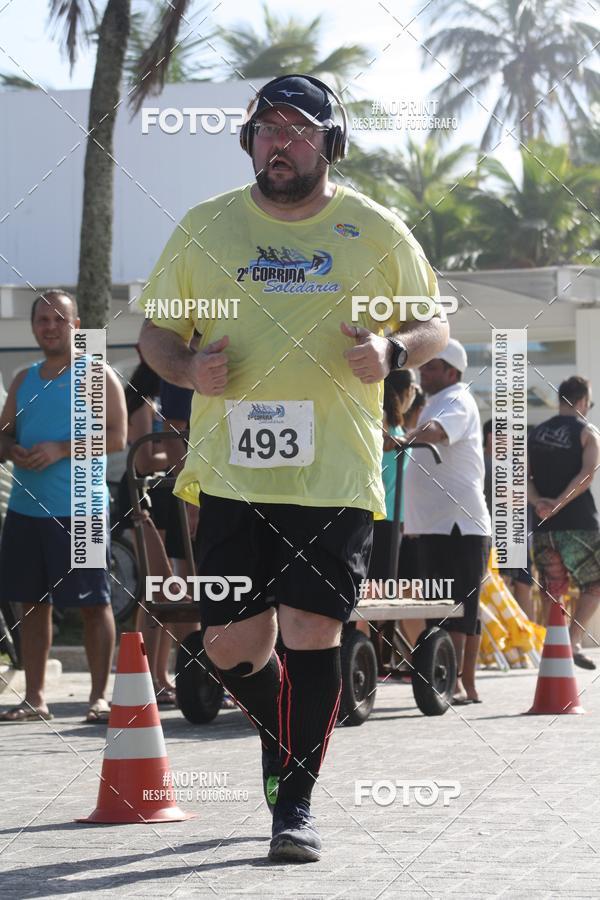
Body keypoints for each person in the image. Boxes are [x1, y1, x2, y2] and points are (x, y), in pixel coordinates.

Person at [138, 73, 448, 862]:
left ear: (330, 143)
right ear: (249, 141)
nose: (280, 143)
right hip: (232, 477)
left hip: (335, 472)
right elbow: (156, 335)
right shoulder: (206, 228)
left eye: (298, 130)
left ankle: (295, 804)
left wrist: (392, 351)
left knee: (314, 629)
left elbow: (433, 324)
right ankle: (282, 722)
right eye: (267, 130)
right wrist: (185, 369)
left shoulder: (376, 231)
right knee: (231, 648)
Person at [0, 290, 127, 722]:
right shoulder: (23, 379)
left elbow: (117, 438)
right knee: (30, 604)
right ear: (33, 326)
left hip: (84, 511)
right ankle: (35, 697)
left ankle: (99, 697)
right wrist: (13, 450)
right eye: (42, 320)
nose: (50, 327)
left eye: (59, 319)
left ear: (76, 326)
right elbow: (3, 436)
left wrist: (62, 448)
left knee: (94, 604)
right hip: (25, 510)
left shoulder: (97, 375)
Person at [402, 339, 492, 704]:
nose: (423, 371)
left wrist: (403, 438)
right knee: (442, 606)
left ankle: (457, 682)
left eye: (431, 366)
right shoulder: (436, 400)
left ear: (451, 371)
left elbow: (438, 433)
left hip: (458, 523)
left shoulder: (456, 398)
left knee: (458, 607)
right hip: (434, 524)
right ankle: (460, 682)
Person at [528, 375, 600, 669]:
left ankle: (555, 648)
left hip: (544, 524)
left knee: (552, 588)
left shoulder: (535, 434)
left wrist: (540, 503)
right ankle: (572, 641)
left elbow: (521, 478)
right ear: (583, 400)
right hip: (579, 522)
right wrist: (559, 502)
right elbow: (587, 474)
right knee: (595, 582)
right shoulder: (587, 432)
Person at [483, 418, 535, 621]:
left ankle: (525, 642)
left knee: (517, 590)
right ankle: (522, 644)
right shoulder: (492, 464)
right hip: (501, 540)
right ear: (491, 437)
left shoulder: (497, 463)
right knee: (506, 591)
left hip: (509, 539)